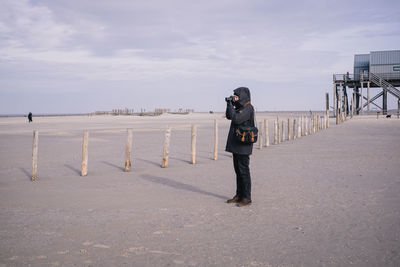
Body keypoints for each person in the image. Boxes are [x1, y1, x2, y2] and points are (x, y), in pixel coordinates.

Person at [225, 87, 254, 207]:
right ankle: (239, 195)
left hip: (243, 145)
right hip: (237, 143)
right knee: (238, 171)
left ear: (242, 97)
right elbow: (229, 116)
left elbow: (236, 119)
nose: (235, 98)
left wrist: (232, 106)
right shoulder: (240, 108)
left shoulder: (248, 108)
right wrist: (229, 104)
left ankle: (247, 197)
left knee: (244, 171)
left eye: (237, 97)